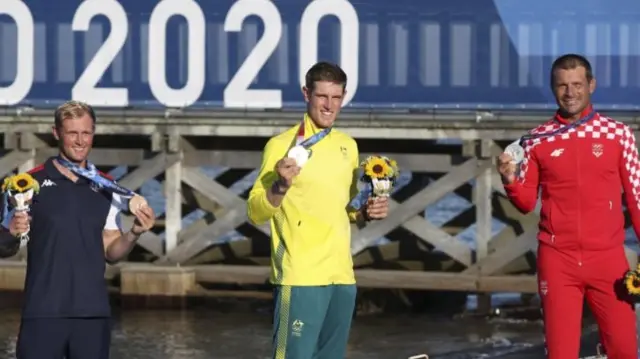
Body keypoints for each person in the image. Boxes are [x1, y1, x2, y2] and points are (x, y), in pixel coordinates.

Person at [498, 54, 639, 358]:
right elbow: (524, 203)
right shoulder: (536, 140)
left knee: (625, 350)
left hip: (609, 260)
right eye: (562, 86)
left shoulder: (618, 134)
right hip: (557, 261)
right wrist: (509, 178)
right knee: (561, 354)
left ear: (592, 85)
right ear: (553, 88)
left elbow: (636, 198)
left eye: (577, 84)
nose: (570, 92)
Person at [247, 62, 389, 359]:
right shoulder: (280, 146)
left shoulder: (347, 145)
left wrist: (367, 211)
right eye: (322, 96)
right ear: (306, 94)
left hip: (341, 275)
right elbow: (255, 211)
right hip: (300, 276)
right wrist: (280, 188)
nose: (329, 105)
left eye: (336, 97)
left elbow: (347, 208)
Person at [1, 100, 156, 359]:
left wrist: (134, 233)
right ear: (57, 133)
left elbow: (111, 250)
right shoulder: (26, 183)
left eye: (87, 133)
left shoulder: (109, 187)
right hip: (43, 311)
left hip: (92, 314)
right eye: (73, 133)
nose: (80, 141)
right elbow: (4, 247)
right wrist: (14, 233)